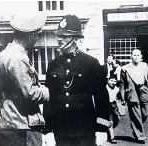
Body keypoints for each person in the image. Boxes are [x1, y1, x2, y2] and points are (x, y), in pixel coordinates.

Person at [44, 14, 111, 146]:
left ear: (75, 38)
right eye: (58, 35)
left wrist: (102, 129)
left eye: (64, 36)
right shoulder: (53, 65)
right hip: (60, 130)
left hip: (85, 130)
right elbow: (49, 99)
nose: (59, 39)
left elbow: (101, 96)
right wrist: (48, 130)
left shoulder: (90, 63)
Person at [0, 14, 49, 146]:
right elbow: (30, 94)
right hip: (21, 126)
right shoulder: (18, 59)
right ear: (30, 36)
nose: (38, 38)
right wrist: (47, 92)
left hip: (4, 123)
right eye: (37, 35)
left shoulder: (1, 56)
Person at [120, 49, 148, 144]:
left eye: (138, 55)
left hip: (143, 90)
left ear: (141, 56)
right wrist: (122, 97)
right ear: (131, 56)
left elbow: (147, 78)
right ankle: (139, 136)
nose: (136, 57)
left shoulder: (144, 65)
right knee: (136, 114)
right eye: (134, 55)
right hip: (132, 92)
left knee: (145, 112)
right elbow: (122, 84)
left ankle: (136, 126)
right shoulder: (125, 68)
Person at [106, 73, 120, 144]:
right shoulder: (105, 88)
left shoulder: (117, 89)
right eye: (111, 81)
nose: (113, 83)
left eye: (114, 81)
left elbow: (118, 98)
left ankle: (108, 131)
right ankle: (112, 137)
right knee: (110, 121)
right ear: (108, 80)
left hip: (114, 106)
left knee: (116, 120)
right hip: (106, 105)